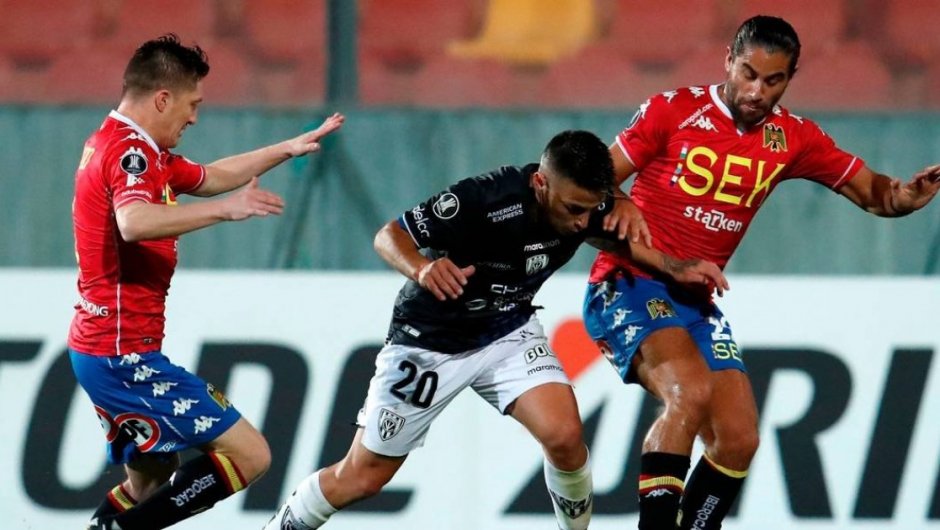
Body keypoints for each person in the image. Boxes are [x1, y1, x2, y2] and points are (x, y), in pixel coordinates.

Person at [262, 130, 728, 530]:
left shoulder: (588, 200)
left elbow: (611, 237)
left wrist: (673, 265)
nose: (582, 221)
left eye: (591, 208)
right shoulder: (483, 198)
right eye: (574, 209)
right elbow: (389, 235)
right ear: (541, 183)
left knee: (565, 437)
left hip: (508, 329)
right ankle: (284, 523)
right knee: (362, 476)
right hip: (429, 344)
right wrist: (423, 269)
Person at [582, 15, 940, 530]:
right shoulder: (673, 109)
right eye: (748, 73)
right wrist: (622, 206)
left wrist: (904, 196)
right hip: (628, 282)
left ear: (791, 77)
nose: (756, 91)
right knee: (689, 393)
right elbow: (592, 185)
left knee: (739, 437)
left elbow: (874, 193)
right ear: (728, 59)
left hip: (695, 301)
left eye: (773, 81)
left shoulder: (792, 137)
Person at [68, 34, 344, 530]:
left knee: (151, 480)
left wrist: (286, 149)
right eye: (192, 104)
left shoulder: (125, 143)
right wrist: (225, 212)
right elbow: (133, 222)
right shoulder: (131, 152)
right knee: (251, 455)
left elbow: (212, 175)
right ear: (162, 99)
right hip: (122, 354)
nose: (193, 117)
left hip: (103, 349)